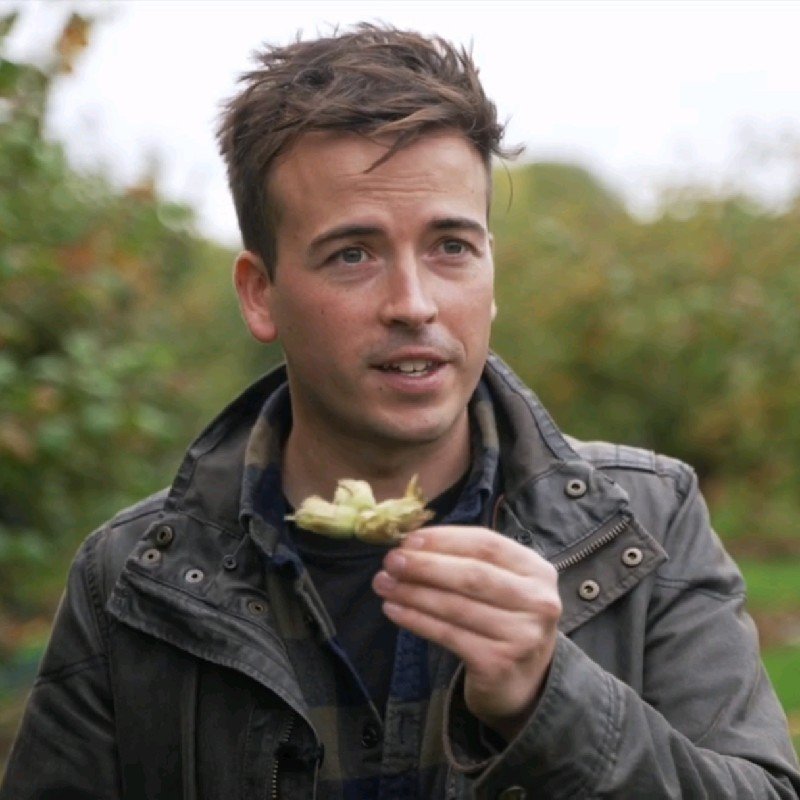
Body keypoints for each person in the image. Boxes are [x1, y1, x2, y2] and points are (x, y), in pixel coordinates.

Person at [2, 24, 798, 800]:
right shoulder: (129, 578)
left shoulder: (647, 523)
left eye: (451, 246)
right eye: (353, 254)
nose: (414, 304)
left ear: (491, 270)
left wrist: (551, 702)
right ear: (260, 293)